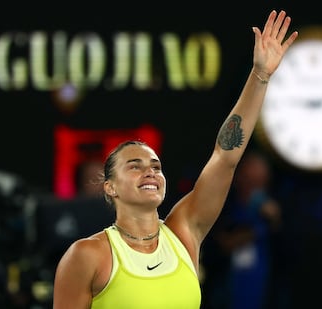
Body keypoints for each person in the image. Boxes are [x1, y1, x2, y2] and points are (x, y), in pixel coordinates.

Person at [53, 10, 298, 309]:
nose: (151, 172)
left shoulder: (185, 233)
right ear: (110, 187)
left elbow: (225, 156)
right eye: (135, 165)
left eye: (156, 166)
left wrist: (260, 76)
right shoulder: (87, 255)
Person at [202, 150, 283, 309]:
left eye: (260, 182)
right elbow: (219, 247)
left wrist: (275, 222)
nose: (254, 189)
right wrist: (259, 230)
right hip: (224, 298)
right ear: (238, 179)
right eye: (249, 181)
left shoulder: (276, 212)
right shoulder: (223, 211)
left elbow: (288, 258)